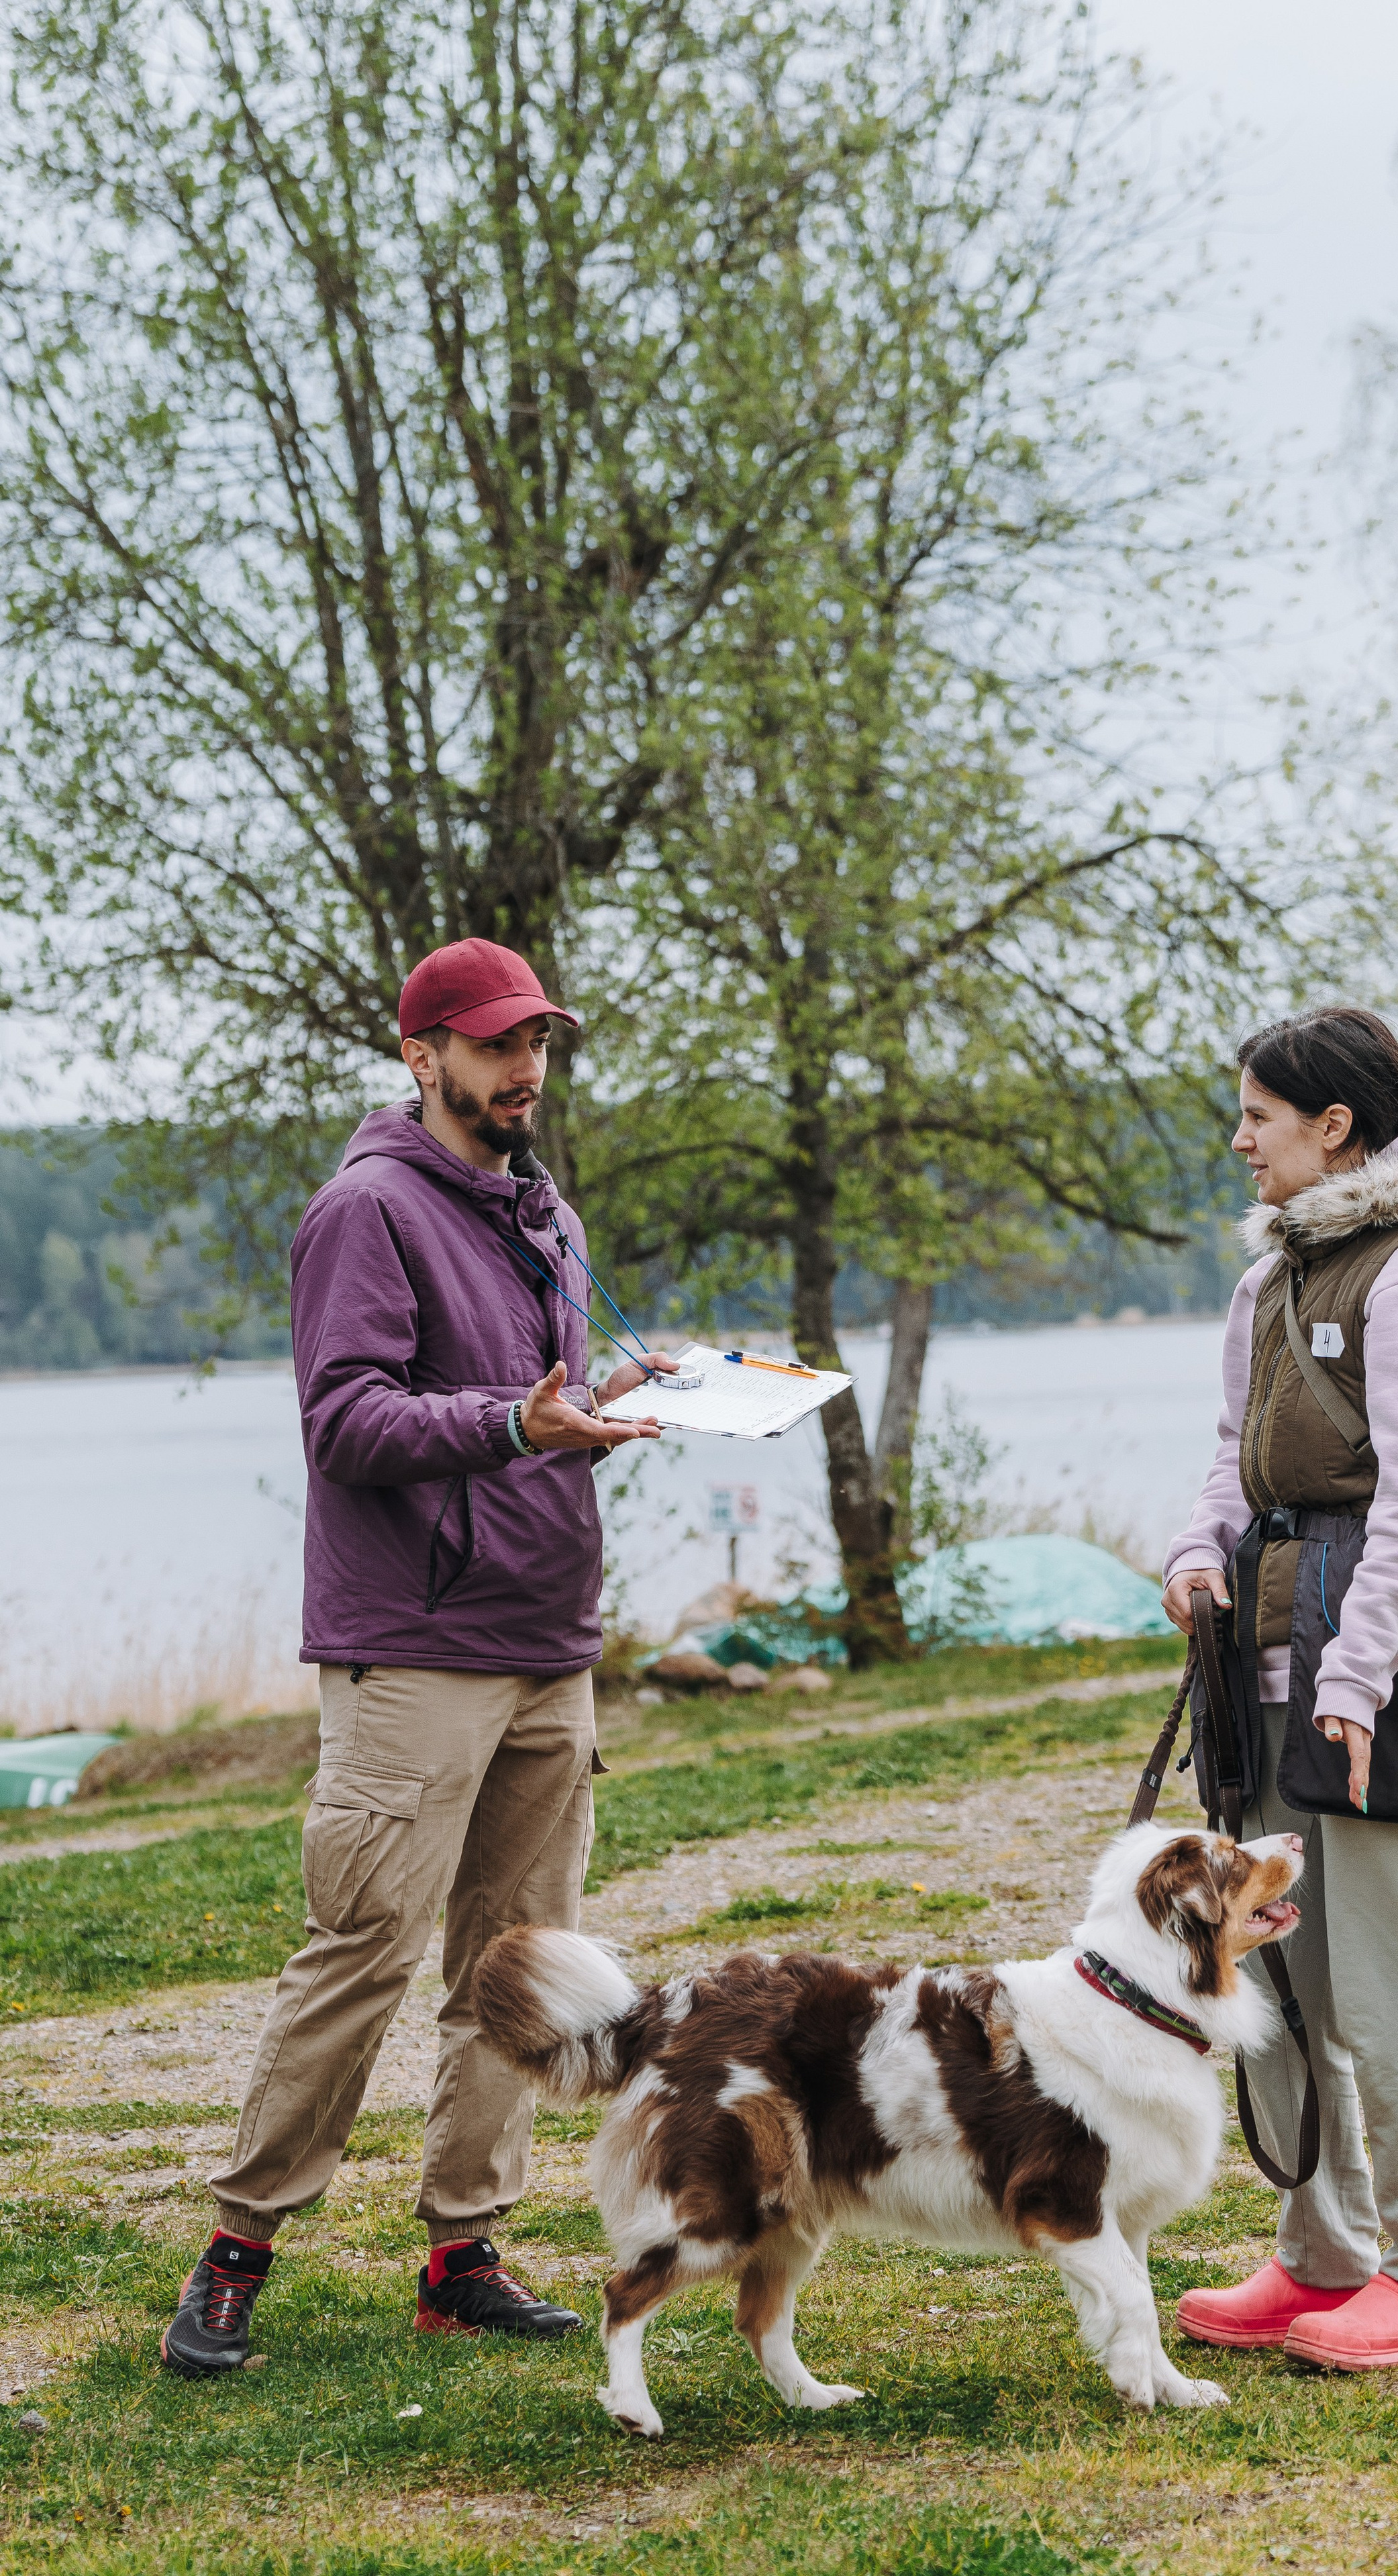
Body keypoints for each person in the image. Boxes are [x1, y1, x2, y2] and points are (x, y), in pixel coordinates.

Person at [162, 938, 679, 2377]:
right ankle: (235, 2252)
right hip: (414, 1645)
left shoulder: (543, 1210)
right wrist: (514, 1425)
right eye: (496, 1044)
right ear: (423, 1054)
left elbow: (542, 1398)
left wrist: (628, 1395)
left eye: (538, 1044)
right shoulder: (365, 1210)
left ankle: (462, 2251)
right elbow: (350, 1423)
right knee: (361, 1951)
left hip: (545, 1639)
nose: (524, 1068)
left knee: (514, 1969)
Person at [1163, 1005, 1398, 2372]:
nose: (1238, 1138)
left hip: (1391, 1667)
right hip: (1262, 1664)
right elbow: (1230, 1456)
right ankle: (1321, 2252)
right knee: (1279, 1981)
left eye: (1256, 1113)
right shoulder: (1273, 1279)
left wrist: (1360, 1675)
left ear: (1333, 1125)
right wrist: (1197, 1549)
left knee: (1396, 1987)